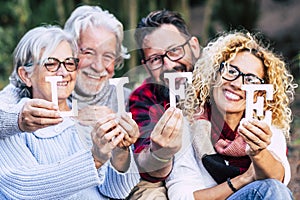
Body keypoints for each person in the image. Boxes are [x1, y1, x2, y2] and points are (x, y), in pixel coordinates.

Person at [0, 5, 140, 199]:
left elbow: (116, 191)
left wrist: (121, 151)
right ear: (26, 75)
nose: (64, 72)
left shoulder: (90, 117)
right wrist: (95, 158)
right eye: (51, 64)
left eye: (69, 63)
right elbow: (22, 189)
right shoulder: (13, 122)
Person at [166, 30, 296, 199]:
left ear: (259, 93)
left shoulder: (264, 127)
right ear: (214, 75)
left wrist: (258, 153)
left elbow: (279, 180)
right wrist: (245, 179)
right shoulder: (187, 125)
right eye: (231, 71)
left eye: (250, 80)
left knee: (272, 188)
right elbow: (181, 196)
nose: (237, 84)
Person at [128, 9, 201, 199]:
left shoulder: (223, 87)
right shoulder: (143, 98)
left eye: (175, 50)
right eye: (155, 59)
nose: (168, 65)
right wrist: (160, 153)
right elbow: (147, 165)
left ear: (194, 47)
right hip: (159, 181)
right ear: (146, 66)